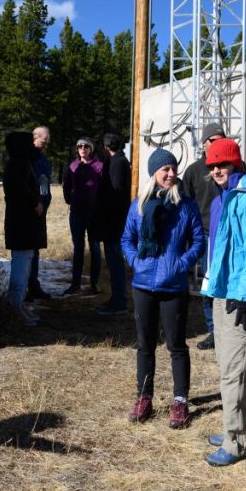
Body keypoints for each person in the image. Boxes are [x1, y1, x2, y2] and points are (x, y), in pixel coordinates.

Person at [201, 138, 246, 466]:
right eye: (212, 166)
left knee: (236, 370)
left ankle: (237, 441)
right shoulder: (227, 195)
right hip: (224, 291)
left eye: (223, 164)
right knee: (232, 367)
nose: (217, 170)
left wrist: (244, 296)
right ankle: (238, 428)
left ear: (236, 163)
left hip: (240, 296)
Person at [121, 148, 205, 429]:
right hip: (143, 285)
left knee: (176, 345)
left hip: (173, 286)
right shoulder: (139, 205)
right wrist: (135, 261)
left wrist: (181, 265)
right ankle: (144, 397)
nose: (170, 174)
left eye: (173, 169)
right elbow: (126, 239)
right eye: (164, 170)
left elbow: (197, 242)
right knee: (145, 345)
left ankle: (180, 401)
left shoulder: (186, 205)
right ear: (153, 173)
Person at [182, 122, 226, 350]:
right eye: (214, 140)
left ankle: (229, 331)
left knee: (229, 286)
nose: (218, 143)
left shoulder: (236, 166)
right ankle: (213, 331)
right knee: (208, 286)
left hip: (230, 238)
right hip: (206, 236)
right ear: (204, 143)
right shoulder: (194, 171)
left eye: (222, 138)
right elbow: (185, 206)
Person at [3, 131, 46, 326]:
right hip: (21, 224)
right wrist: (35, 202)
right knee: (20, 266)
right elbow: (21, 190)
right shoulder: (17, 165)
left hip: (24, 224)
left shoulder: (21, 163)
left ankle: (18, 305)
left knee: (25, 263)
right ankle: (14, 307)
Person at [95, 132, 131, 315]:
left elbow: (115, 191)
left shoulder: (117, 163)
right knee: (113, 260)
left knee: (115, 261)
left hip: (114, 221)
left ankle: (119, 301)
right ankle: (116, 298)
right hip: (113, 220)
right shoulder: (118, 161)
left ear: (107, 146)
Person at [62, 136, 104, 296]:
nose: (83, 149)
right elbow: (66, 184)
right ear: (77, 149)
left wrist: (99, 206)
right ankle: (75, 284)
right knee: (78, 248)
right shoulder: (72, 166)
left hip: (94, 213)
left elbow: (104, 189)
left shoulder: (100, 166)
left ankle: (94, 283)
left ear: (91, 149)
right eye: (80, 146)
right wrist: (69, 199)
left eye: (86, 146)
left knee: (94, 248)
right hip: (76, 213)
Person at [26, 125, 52, 302]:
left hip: (41, 210)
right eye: (44, 139)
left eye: (48, 141)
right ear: (35, 138)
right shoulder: (28, 158)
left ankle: (34, 286)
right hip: (30, 210)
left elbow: (45, 183)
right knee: (27, 250)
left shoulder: (43, 159)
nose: (46, 143)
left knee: (35, 250)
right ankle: (25, 288)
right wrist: (35, 203)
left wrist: (44, 204)